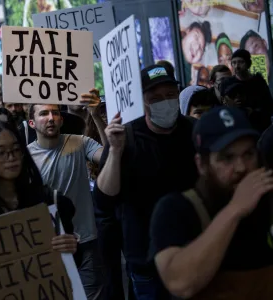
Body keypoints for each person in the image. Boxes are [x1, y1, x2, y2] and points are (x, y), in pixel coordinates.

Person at [94, 65, 198, 299]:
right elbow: (105, 199)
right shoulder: (124, 136)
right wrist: (115, 152)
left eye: (170, 95)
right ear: (141, 101)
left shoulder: (194, 130)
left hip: (194, 251)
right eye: (156, 98)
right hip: (145, 261)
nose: (165, 102)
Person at [150, 106, 273, 299]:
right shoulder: (176, 210)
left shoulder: (267, 200)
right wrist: (235, 209)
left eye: (248, 154)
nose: (241, 167)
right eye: (227, 158)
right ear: (202, 164)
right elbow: (179, 283)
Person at [27, 95, 107, 300]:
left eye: (55, 112)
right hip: (48, 247)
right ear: (32, 123)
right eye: (44, 113)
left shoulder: (80, 143)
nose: (51, 117)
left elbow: (108, 158)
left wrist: (96, 118)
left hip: (85, 242)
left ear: (62, 119)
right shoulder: (24, 159)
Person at [0, 121, 77, 255]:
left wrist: (72, 246)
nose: (11, 157)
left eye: (16, 149)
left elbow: (73, 263)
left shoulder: (51, 201)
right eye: (1, 152)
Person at [230, 49, 273, 127]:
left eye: (241, 62)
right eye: (234, 63)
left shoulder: (258, 81)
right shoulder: (228, 83)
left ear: (248, 64)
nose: (237, 66)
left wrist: (254, 112)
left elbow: (269, 106)